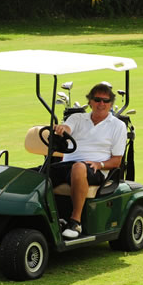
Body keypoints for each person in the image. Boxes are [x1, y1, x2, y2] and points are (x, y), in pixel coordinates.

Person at [51, 83, 126, 239]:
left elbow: (116, 161)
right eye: (97, 99)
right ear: (90, 101)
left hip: (96, 168)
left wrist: (100, 164)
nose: (101, 104)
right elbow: (67, 128)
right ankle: (50, 219)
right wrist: (62, 129)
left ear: (111, 103)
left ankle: (75, 221)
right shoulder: (77, 118)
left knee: (79, 167)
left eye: (105, 101)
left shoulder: (117, 126)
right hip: (68, 165)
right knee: (34, 175)